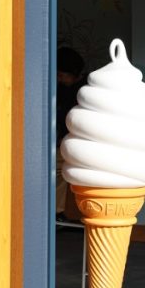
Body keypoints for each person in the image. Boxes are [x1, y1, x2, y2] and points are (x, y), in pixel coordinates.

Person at [55, 46, 86, 223]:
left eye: (62, 75)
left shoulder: (83, 91)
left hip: (77, 141)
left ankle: (57, 212)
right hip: (64, 141)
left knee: (58, 167)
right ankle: (57, 212)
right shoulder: (61, 89)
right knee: (58, 169)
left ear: (74, 74)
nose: (59, 79)